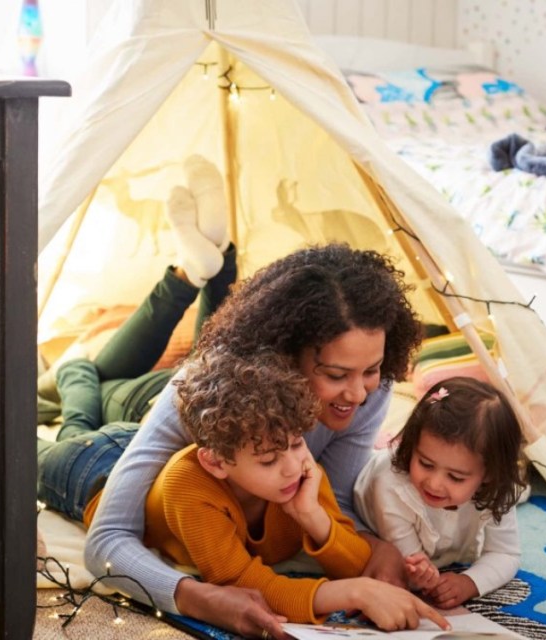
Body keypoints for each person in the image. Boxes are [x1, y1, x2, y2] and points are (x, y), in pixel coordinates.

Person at [84, 244, 424, 637]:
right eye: (335, 375)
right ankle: (78, 373)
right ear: (282, 355)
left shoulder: (369, 392)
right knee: (80, 409)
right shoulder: (193, 391)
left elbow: (335, 501)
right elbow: (105, 541)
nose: (359, 394)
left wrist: (373, 544)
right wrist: (195, 596)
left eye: (372, 369)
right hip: (105, 453)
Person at [137, 346, 449, 631]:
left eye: (297, 443)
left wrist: (313, 516)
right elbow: (239, 582)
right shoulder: (189, 485)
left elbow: (358, 564)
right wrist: (354, 592)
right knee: (88, 400)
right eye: (268, 460)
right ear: (216, 463)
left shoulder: (302, 472)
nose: (292, 467)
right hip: (98, 463)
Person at [36, 154, 237, 524]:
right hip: (162, 399)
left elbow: (78, 372)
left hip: (162, 396)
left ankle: (211, 264)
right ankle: (193, 271)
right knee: (84, 371)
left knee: (215, 356)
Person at [353, 376, 526, 610]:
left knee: (516, 491)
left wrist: (470, 582)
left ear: (489, 474)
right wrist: (420, 572)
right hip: (370, 504)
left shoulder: (498, 489)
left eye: (455, 477)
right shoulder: (390, 485)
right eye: (425, 463)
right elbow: (409, 565)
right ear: (412, 446)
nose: (434, 484)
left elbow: (506, 553)